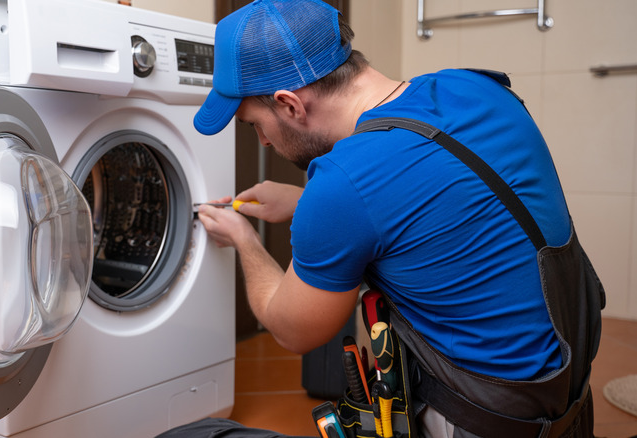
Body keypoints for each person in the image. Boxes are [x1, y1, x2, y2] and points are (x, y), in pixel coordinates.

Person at [158, 0, 604, 437]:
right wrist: (303, 201)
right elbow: (441, 202)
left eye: (255, 123)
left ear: (290, 104)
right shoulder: (476, 88)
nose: (263, 143)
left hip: (480, 420)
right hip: (566, 404)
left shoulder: (342, 184)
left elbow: (291, 329)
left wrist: (244, 239)